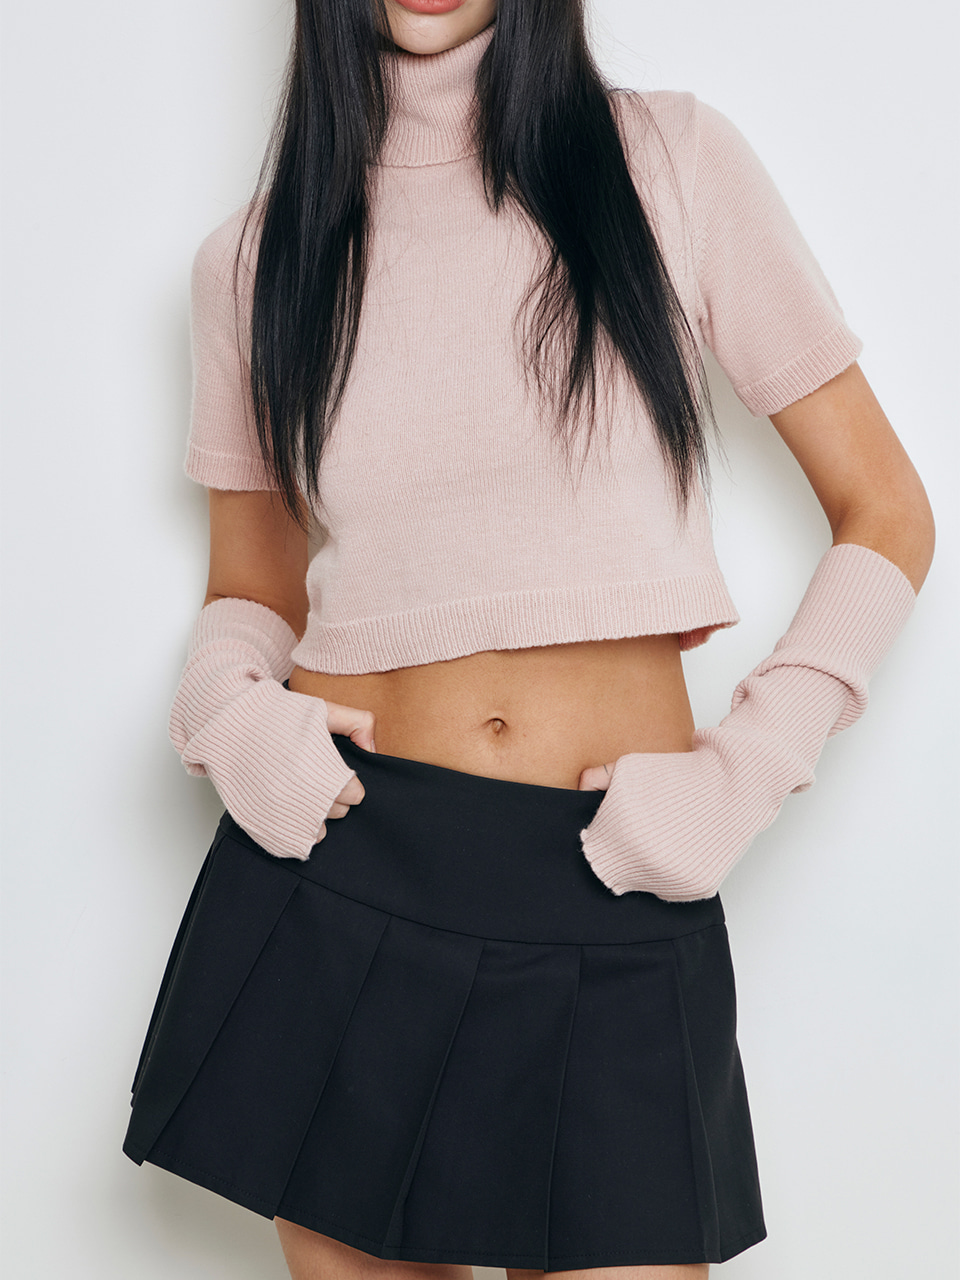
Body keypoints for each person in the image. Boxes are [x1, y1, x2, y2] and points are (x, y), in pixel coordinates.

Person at [122, 1, 935, 1277]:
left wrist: (747, 769)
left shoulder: (669, 163)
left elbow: (887, 511)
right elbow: (252, 587)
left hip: (610, 874)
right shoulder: (255, 258)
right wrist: (228, 709)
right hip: (343, 869)